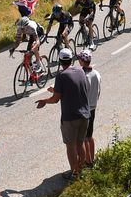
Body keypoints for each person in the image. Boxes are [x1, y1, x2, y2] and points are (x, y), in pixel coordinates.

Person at [35, 48, 90, 180]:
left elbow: (55, 99)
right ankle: (80, 170)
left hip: (70, 117)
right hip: (85, 115)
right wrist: (57, 90)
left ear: (60, 61)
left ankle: (74, 174)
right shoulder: (80, 71)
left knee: (70, 146)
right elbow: (74, 88)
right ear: (72, 59)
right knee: (80, 143)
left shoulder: (61, 75)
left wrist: (44, 101)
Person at [77, 49, 101, 166]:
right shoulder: (96, 73)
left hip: (85, 108)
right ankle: (92, 157)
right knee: (90, 135)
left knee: (84, 137)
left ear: (82, 61)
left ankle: (88, 161)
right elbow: (99, 90)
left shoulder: (83, 76)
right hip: (93, 106)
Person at [11, 6, 44, 82]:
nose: (23, 30)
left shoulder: (31, 27)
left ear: (27, 25)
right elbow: (18, 41)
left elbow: (37, 41)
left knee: (33, 47)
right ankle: (32, 75)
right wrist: (13, 48)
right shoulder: (20, 28)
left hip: (40, 34)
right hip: (32, 36)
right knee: (27, 57)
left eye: (24, 28)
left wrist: (32, 49)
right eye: (21, 28)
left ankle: (39, 64)